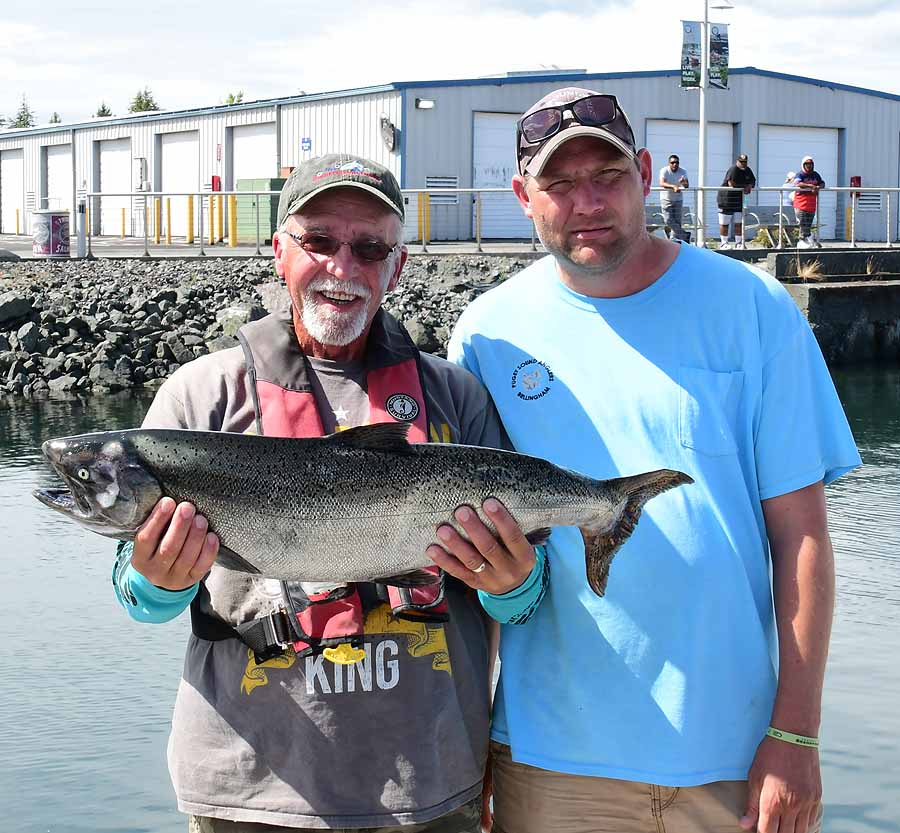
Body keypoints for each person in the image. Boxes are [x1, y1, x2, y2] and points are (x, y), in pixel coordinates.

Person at [446, 87, 861, 833]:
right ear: (522, 196)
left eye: (607, 176)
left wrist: (797, 734)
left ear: (644, 173)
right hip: (546, 760)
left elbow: (801, 536)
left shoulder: (755, 308)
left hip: (731, 757)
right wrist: (471, 743)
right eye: (559, 184)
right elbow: (477, 554)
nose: (587, 203)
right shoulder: (486, 335)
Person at [110, 153, 544, 832]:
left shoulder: (455, 396)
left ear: (397, 267)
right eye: (319, 241)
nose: (343, 267)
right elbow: (134, 597)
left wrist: (514, 584)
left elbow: (520, 602)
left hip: (429, 785)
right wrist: (156, 582)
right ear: (279, 250)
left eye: (369, 248)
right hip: (249, 789)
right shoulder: (200, 396)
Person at [716, 152, 757, 249]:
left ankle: (739, 242)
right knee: (725, 223)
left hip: (738, 200)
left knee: (739, 222)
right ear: (737, 161)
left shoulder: (748, 170)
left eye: (745, 162)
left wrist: (750, 186)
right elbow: (731, 184)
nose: (743, 164)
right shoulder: (733, 169)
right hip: (726, 200)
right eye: (741, 162)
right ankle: (724, 243)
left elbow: (753, 181)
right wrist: (744, 187)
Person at [793, 157, 826, 248]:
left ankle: (807, 240)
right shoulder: (800, 174)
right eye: (807, 164)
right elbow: (798, 183)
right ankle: (802, 240)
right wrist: (811, 186)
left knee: (808, 224)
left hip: (811, 205)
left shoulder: (815, 175)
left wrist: (818, 187)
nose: (809, 166)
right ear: (803, 165)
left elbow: (822, 183)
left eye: (810, 164)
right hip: (801, 204)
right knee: (802, 223)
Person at [657, 154, 690, 242]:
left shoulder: (683, 171)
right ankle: (684, 235)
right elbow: (662, 183)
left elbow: (686, 185)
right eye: (672, 162)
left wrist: (683, 182)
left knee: (677, 222)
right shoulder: (664, 170)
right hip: (666, 199)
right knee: (668, 220)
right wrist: (673, 186)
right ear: (669, 163)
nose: (675, 164)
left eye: (677, 162)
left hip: (678, 199)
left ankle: (673, 240)